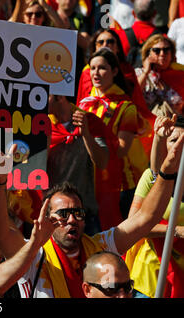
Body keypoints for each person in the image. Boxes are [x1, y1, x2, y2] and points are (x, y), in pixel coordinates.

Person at [0, 129, 184, 298]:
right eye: (63, 214)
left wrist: (167, 172)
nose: (72, 219)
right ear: (46, 219)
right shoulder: (32, 255)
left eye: (77, 213)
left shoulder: (100, 246)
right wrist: (0, 181)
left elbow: (146, 217)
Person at [78, 48, 150, 222]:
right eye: (92, 68)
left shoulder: (127, 107)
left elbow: (121, 151)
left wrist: (90, 135)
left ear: (115, 71)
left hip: (120, 187)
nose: (96, 73)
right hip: (89, 184)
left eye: (102, 68)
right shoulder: (84, 103)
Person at [125, 115, 184, 298]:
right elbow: (132, 226)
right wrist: (176, 230)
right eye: (174, 140)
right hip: (150, 279)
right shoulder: (150, 179)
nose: (179, 146)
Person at [47, 94, 112, 234]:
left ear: (59, 96)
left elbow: (102, 163)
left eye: (43, 94)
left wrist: (86, 135)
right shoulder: (39, 125)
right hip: (52, 217)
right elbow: (33, 168)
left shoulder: (90, 121)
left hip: (85, 215)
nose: (36, 98)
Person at [135, 34, 184, 118]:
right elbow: (134, 94)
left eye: (166, 50)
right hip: (148, 125)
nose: (162, 54)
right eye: (156, 50)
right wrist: (146, 72)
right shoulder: (139, 73)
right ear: (148, 53)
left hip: (177, 125)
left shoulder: (179, 73)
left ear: (171, 53)